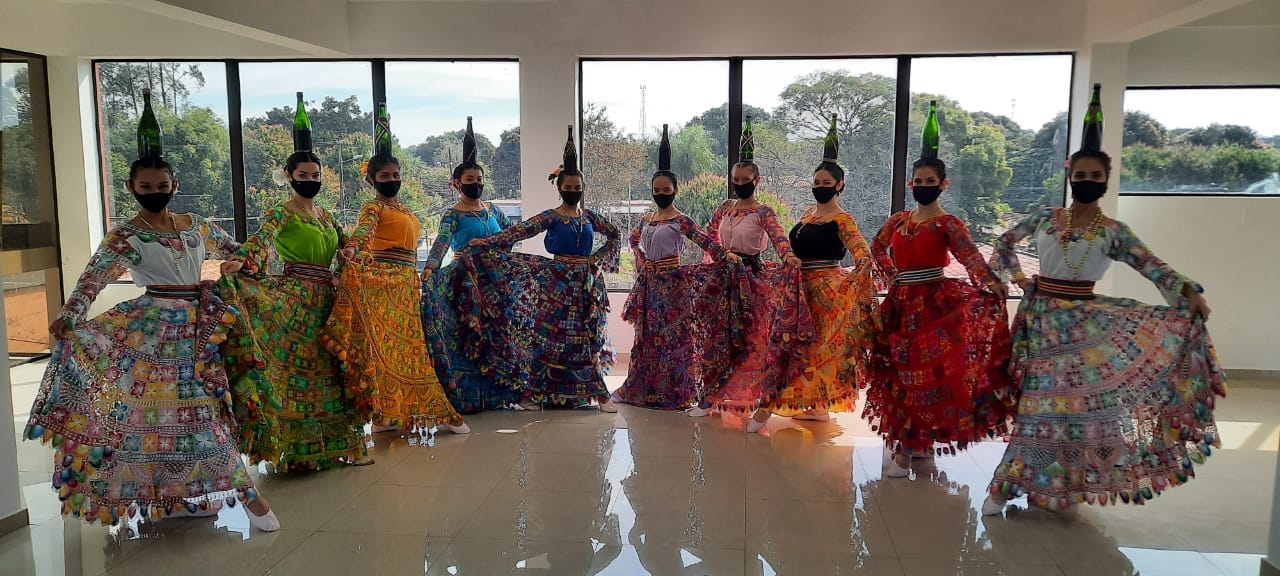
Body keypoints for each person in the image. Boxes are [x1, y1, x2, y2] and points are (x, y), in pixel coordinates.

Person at [24, 107, 279, 530]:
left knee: (204, 410)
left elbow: (245, 253)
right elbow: (93, 279)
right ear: (131, 188)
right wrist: (71, 314)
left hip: (201, 328)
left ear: (174, 185)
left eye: (162, 185)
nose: (155, 192)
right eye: (146, 186)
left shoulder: (197, 226)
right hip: (152, 332)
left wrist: (241, 263)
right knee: (160, 416)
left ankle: (199, 491)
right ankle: (236, 497)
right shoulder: (125, 235)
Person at [982, 145, 1225, 515]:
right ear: (1070, 177)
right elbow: (1005, 242)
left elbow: (1151, 265)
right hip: (1041, 324)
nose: (1087, 181)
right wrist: (1018, 278)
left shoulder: (1113, 232)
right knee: (1038, 409)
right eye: (1080, 175)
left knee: (1080, 412)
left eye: (1095, 176)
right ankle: (1005, 487)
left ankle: (1064, 487)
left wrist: (1188, 292)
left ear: (1107, 181)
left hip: (1086, 329)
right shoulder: (1046, 219)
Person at [217, 110, 370, 471]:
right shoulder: (281, 212)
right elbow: (260, 240)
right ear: (289, 176)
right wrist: (241, 261)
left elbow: (348, 244)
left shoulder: (326, 216)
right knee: (296, 376)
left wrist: (349, 252)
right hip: (296, 301)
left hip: (328, 301)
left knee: (332, 371)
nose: (310, 181)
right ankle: (296, 451)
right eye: (303, 176)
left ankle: (344, 446)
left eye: (315, 176)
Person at [862, 125, 1015, 478]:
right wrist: (891, 275)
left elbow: (971, 257)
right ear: (911, 184)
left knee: (925, 381)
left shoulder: (949, 224)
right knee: (900, 378)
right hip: (899, 305)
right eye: (917, 181)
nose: (922, 186)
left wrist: (991, 284)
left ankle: (910, 449)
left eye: (929, 181)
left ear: (943, 184)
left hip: (933, 306)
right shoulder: (899, 220)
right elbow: (876, 246)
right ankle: (910, 442)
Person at [321, 104, 469, 436]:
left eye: (396, 175)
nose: (392, 180)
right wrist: (352, 249)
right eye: (385, 176)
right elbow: (364, 232)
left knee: (405, 350)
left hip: (404, 283)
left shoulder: (403, 208)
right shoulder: (373, 206)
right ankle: (406, 412)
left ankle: (388, 416)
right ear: (371, 180)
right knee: (396, 350)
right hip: (383, 282)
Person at [463, 126, 622, 412]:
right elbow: (518, 232)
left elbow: (615, 233)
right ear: (559, 188)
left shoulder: (589, 217)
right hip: (555, 284)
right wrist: (486, 242)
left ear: (583, 187)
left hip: (585, 284)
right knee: (549, 337)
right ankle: (537, 393)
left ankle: (599, 394)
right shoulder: (551, 216)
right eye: (567, 188)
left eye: (577, 187)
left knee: (586, 336)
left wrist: (596, 259)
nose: (572, 191)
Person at [747, 116, 879, 434]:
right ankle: (815, 408)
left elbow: (861, 251)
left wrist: (854, 273)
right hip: (798, 289)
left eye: (826, 183)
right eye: (816, 182)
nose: (819, 187)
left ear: (839, 185)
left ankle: (781, 408)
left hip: (824, 294)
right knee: (795, 349)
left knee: (810, 352)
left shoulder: (842, 219)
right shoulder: (809, 213)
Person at [614, 124, 745, 410]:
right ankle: (644, 389)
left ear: (675, 190)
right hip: (649, 284)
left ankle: (675, 392)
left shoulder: (681, 220)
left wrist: (725, 255)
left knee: (673, 338)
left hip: (673, 285)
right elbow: (633, 240)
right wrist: (640, 259)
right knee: (647, 337)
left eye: (666, 189)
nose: (661, 193)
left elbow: (704, 241)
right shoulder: (646, 218)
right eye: (656, 190)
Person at [689, 117, 804, 417]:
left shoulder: (764, 211)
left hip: (751, 280)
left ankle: (751, 398)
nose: (740, 184)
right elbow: (708, 236)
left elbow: (778, 238)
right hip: (722, 278)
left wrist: (788, 256)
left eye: (745, 179)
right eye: (736, 179)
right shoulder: (724, 208)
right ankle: (710, 397)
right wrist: (718, 256)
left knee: (752, 340)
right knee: (716, 338)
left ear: (757, 181)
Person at [420, 118, 523, 414]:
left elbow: (511, 234)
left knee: (499, 335)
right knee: (470, 337)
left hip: (496, 281)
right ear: (457, 183)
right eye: (469, 179)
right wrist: (430, 268)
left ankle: (502, 394)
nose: (475, 183)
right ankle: (469, 398)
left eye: (479, 179)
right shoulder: (452, 214)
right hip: (466, 281)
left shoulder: (493, 210)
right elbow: (441, 243)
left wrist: (493, 248)